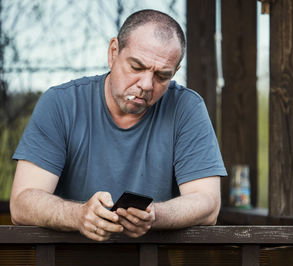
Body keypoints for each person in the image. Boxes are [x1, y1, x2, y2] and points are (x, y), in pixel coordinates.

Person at [9, 9, 226, 242]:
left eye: (162, 76)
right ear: (113, 52)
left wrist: (155, 215)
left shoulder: (187, 108)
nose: (146, 85)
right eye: (136, 67)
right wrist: (79, 215)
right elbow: (22, 203)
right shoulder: (60, 103)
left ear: (175, 71)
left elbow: (208, 204)